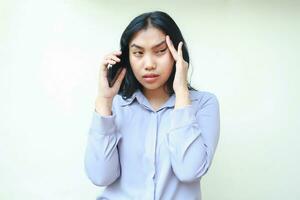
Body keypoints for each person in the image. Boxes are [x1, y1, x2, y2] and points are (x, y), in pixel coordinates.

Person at [84, 11, 220, 200]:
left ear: (176, 53)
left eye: (160, 51)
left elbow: (189, 171)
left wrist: (181, 93)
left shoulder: (204, 104)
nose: (149, 64)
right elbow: (100, 176)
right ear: (127, 57)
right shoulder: (115, 105)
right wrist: (104, 102)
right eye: (138, 53)